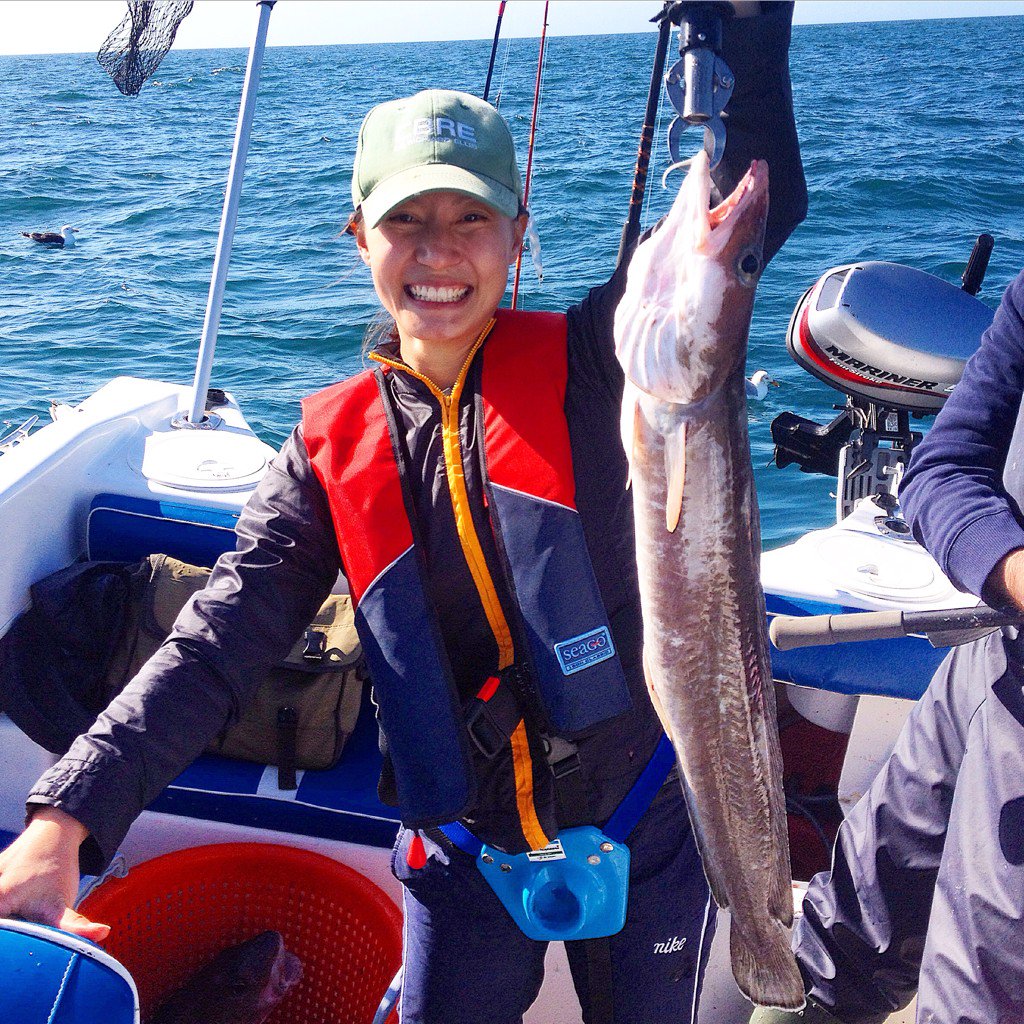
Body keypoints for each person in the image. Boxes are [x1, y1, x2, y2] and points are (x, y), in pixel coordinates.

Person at [0, 6, 806, 1022]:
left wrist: (744, 36)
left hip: (643, 824)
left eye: (470, 218)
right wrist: (67, 815)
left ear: (519, 235)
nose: (438, 251)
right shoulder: (328, 451)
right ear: (358, 239)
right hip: (457, 853)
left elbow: (752, 213)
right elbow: (215, 644)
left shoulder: (602, 366)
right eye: (406, 222)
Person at [752, 267, 1024, 1024]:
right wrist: (1010, 567)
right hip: (986, 666)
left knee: (980, 991)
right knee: (840, 934)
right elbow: (945, 468)